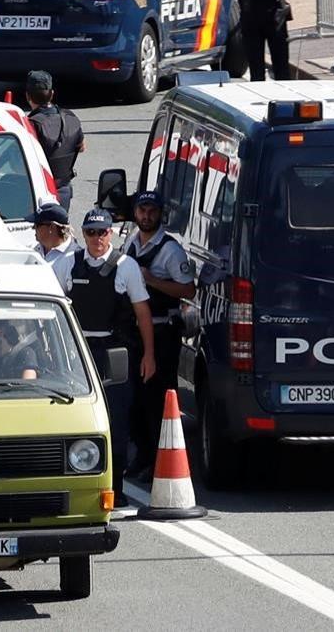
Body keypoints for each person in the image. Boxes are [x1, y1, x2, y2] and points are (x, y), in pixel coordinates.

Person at [52, 209, 156, 507]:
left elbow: (143, 314)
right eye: (91, 233)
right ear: (83, 235)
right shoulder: (67, 264)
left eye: (103, 232)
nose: (97, 239)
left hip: (116, 353)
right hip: (79, 353)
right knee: (76, 419)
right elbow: (54, 311)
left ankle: (116, 489)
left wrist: (149, 355)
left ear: (111, 233)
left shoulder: (126, 267)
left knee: (117, 420)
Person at [123, 191, 196, 482]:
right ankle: (141, 456)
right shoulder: (131, 241)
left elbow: (188, 290)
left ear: (160, 213)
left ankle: (158, 460)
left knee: (157, 399)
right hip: (134, 331)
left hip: (162, 330)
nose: (146, 216)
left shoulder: (170, 250)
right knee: (135, 400)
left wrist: (152, 280)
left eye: (152, 211)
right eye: (142, 210)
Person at [25, 70, 85, 212]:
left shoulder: (30, 124)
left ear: (27, 96)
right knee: (60, 229)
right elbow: (82, 146)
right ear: (52, 94)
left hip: (39, 191)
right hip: (63, 189)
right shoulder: (70, 118)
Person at [231, 0, 292, 81]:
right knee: (281, 63)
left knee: (255, 65)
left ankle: (259, 93)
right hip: (274, 14)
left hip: (249, 13)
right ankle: (285, 96)